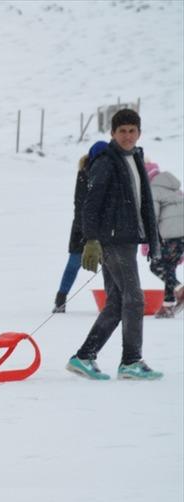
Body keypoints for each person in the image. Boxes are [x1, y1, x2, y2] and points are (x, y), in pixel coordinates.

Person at [66, 109, 163, 381]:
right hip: (113, 239)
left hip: (127, 237)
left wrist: (151, 237)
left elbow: (141, 200)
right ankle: (131, 361)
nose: (128, 136)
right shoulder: (107, 161)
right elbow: (90, 204)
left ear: (139, 133)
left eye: (132, 131)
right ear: (112, 134)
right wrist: (93, 239)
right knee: (135, 298)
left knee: (118, 301)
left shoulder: (134, 158)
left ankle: (84, 356)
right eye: (122, 131)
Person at [53, 141, 108, 312]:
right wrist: (86, 231)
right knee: (74, 263)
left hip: (105, 228)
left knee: (110, 265)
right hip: (82, 227)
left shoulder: (110, 172)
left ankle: (114, 300)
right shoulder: (84, 174)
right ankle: (60, 299)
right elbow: (80, 204)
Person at [144, 161, 184, 317]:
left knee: (156, 266)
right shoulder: (176, 189)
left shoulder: (153, 190)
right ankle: (167, 307)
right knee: (170, 268)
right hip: (181, 236)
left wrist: (148, 241)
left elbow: (152, 217)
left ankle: (180, 289)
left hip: (168, 235)